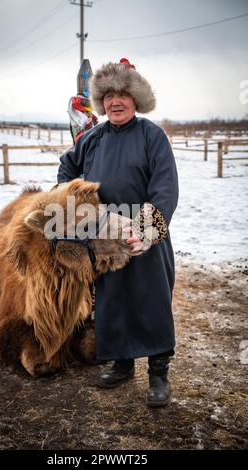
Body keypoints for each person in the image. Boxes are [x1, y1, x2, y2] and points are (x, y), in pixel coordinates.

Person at [57, 58, 179, 407]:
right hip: (104, 235)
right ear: (101, 101)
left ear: (135, 97)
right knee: (112, 302)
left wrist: (147, 229)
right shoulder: (92, 137)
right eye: (108, 95)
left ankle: (158, 372)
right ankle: (122, 364)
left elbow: (166, 187)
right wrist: (81, 208)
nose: (114, 101)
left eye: (122, 93)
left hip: (145, 236)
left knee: (151, 301)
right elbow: (67, 168)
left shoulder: (151, 135)